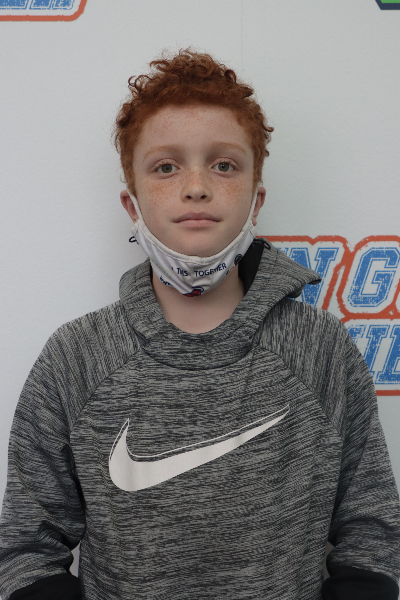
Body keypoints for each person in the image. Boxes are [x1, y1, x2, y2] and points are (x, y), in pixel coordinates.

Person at [0, 49, 399, 600]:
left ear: (256, 199)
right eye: (166, 167)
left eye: (223, 165)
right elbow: (27, 547)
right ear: (132, 204)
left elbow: (372, 533)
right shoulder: (77, 356)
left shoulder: (319, 348)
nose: (196, 187)